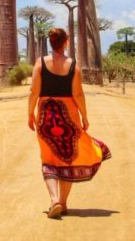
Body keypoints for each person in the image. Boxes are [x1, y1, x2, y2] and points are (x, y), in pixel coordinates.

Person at [28, 27, 111, 219]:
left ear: (51, 42)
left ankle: (54, 199)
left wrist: (30, 114)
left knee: (48, 159)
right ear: (66, 42)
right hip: (69, 117)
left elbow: (33, 91)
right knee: (67, 158)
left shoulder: (40, 63)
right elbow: (78, 94)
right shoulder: (73, 65)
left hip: (46, 115)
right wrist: (84, 116)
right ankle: (63, 203)